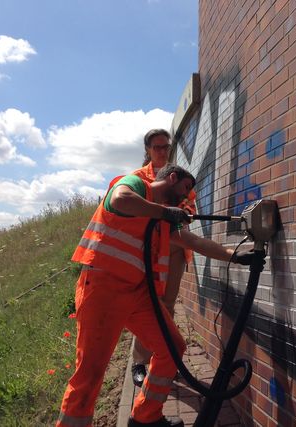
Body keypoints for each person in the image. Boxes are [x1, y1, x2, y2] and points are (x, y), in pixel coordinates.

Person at [57, 164, 257, 427]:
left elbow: (193, 242)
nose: (186, 197)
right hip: (103, 288)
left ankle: (145, 417)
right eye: (185, 188)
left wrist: (236, 256)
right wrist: (165, 212)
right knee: (90, 373)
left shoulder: (161, 219)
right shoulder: (137, 185)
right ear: (172, 177)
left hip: (138, 293)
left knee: (173, 347)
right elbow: (120, 199)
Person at [129, 129, 197, 387]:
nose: (162, 151)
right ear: (147, 149)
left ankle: (164, 362)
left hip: (176, 248)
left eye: (166, 146)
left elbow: (190, 205)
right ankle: (139, 362)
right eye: (157, 147)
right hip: (152, 249)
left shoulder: (179, 176)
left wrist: (184, 211)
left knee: (167, 304)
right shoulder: (138, 178)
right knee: (151, 305)